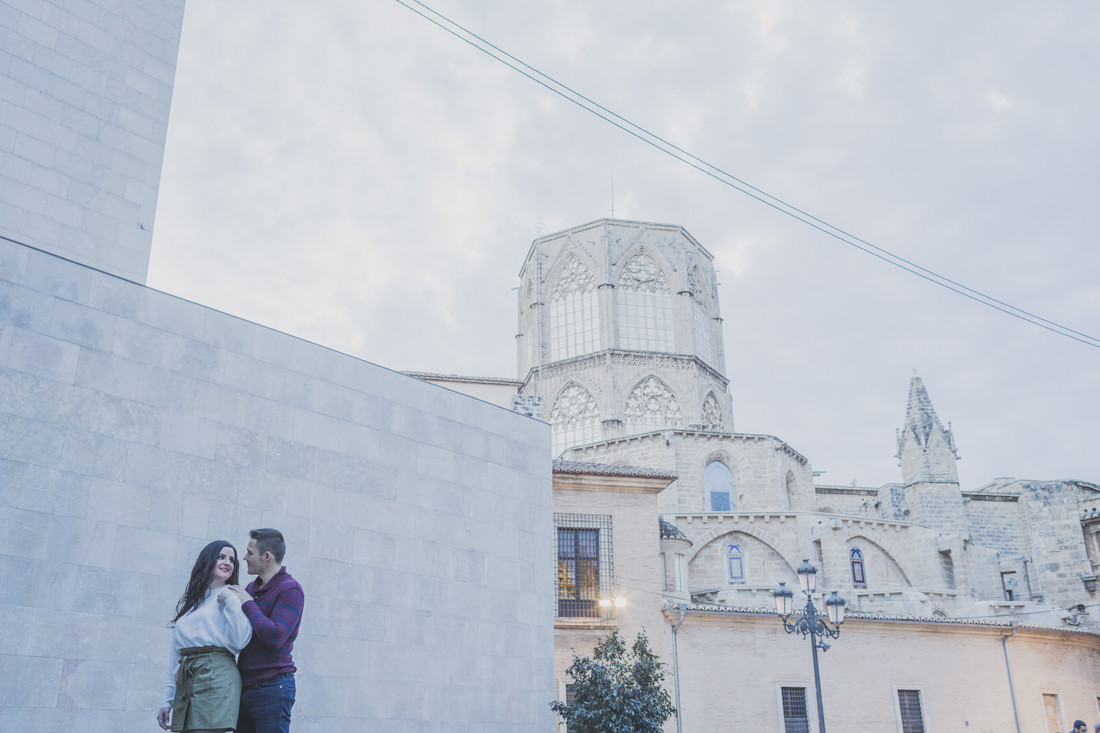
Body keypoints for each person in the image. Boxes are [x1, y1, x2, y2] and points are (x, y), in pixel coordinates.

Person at [158, 540, 253, 732]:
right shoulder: (192, 603)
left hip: (216, 675)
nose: (228, 562)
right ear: (207, 561)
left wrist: (232, 602)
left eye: (232, 560)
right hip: (187, 676)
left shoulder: (231, 596)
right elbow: (175, 657)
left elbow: (239, 643)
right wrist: (166, 700)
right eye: (221, 557)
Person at [228, 528, 305, 733]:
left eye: (250, 553)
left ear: (267, 556)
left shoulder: (290, 589)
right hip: (246, 686)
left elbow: (275, 636)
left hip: (273, 687)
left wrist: (247, 603)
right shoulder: (252, 588)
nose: (244, 557)